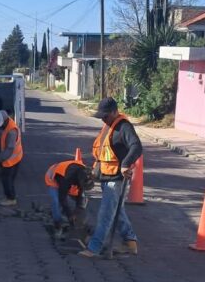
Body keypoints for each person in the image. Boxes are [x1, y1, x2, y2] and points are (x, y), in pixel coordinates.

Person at [79, 97, 142, 257]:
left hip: (116, 179)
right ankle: (130, 243)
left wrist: (126, 164)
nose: (103, 119)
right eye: (101, 116)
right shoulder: (108, 126)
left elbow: (136, 146)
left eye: (105, 116)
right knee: (117, 211)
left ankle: (94, 248)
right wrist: (95, 173)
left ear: (115, 112)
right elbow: (103, 153)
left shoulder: (124, 127)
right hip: (106, 176)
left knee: (106, 214)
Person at [44, 157, 92, 237]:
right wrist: (70, 215)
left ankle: (77, 220)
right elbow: (62, 199)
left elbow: (80, 194)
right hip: (53, 179)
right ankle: (57, 223)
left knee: (82, 200)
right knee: (56, 201)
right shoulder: (65, 179)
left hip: (69, 179)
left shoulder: (85, 174)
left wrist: (78, 210)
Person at [0, 96, 23, 206]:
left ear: (5, 120)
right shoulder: (5, 124)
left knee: (7, 180)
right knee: (6, 179)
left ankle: (11, 199)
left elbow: (9, 149)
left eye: (0, 124)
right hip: (8, 157)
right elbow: (0, 133)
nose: (0, 126)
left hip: (12, 159)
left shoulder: (12, 131)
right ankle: (9, 196)